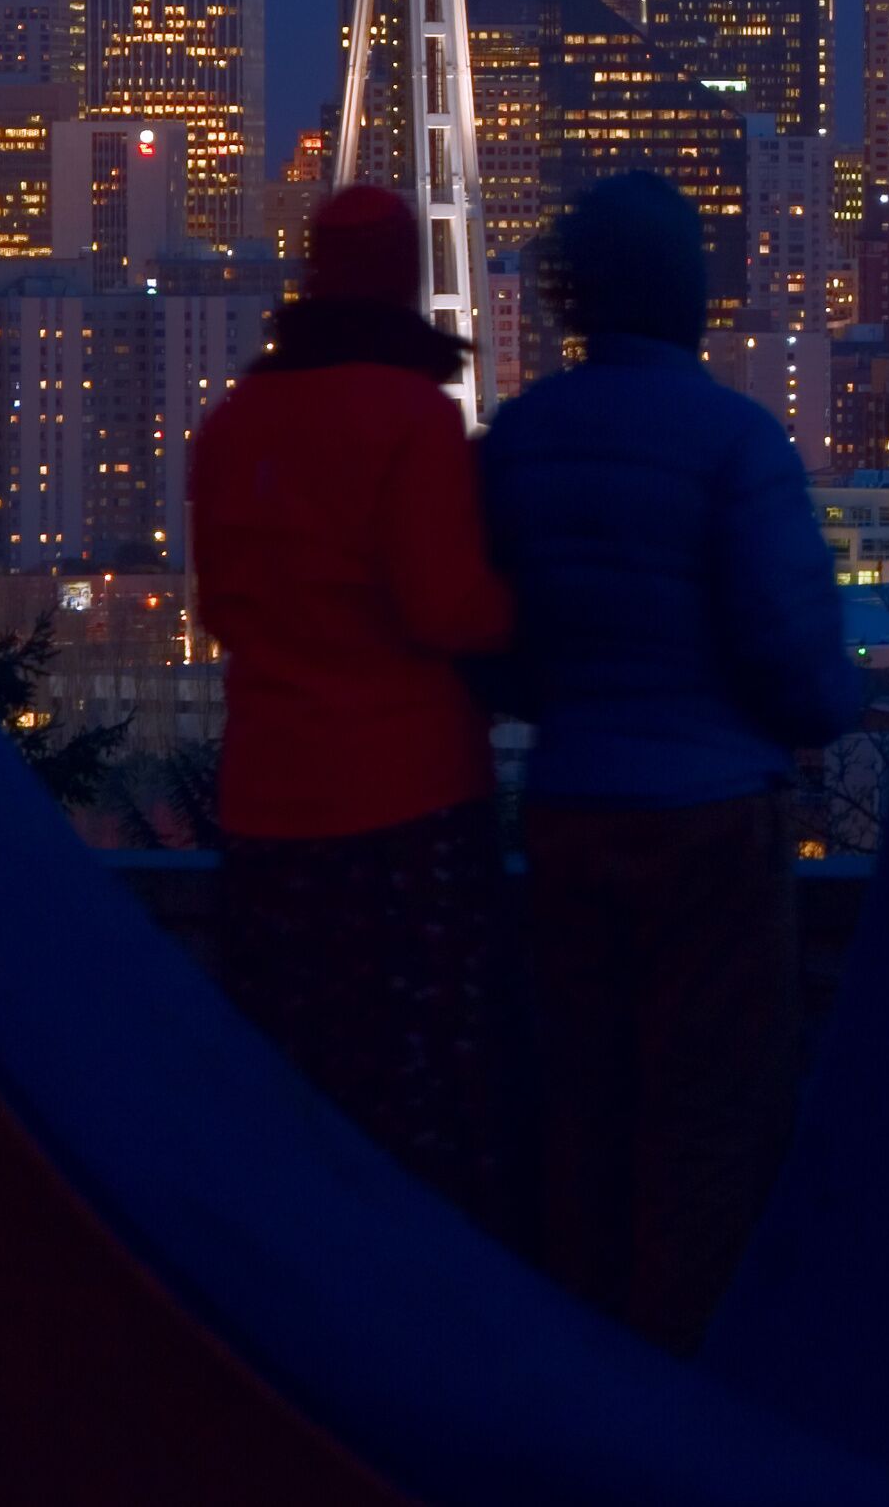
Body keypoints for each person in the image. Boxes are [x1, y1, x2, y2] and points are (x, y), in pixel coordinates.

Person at [481, 171, 863, 1351]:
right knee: (712, 1117)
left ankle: (584, 1371)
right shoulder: (736, 442)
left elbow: (495, 648)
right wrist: (823, 715)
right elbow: (794, 654)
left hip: (568, 813)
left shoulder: (520, 439)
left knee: (586, 1106)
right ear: (691, 291)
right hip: (711, 824)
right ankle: (693, 1380)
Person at [191, 184, 514, 1220]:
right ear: (410, 280)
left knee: (289, 1097)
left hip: (268, 806)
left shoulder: (234, 425)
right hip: (405, 812)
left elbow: (226, 608)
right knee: (420, 1100)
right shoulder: (413, 421)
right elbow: (448, 606)